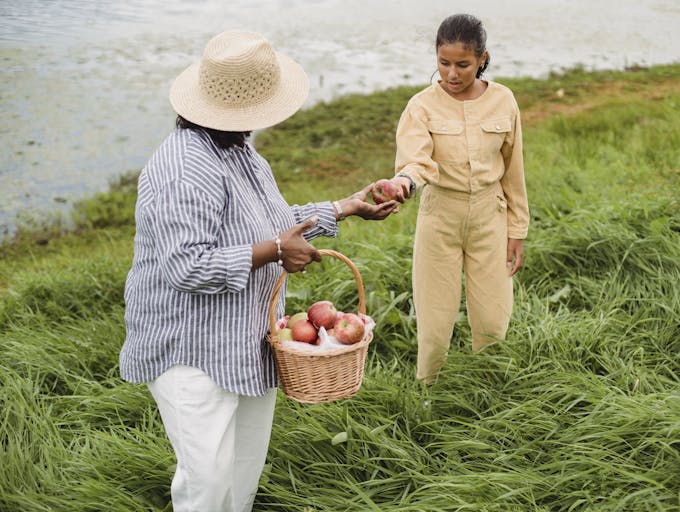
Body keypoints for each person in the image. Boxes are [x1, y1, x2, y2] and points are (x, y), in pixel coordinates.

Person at [118, 30, 399, 511]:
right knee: (206, 487)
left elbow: (272, 223)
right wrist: (273, 251)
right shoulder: (183, 167)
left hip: (246, 339)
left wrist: (343, 207)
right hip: (193, 352)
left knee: (242, 474)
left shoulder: (239, 152)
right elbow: (188, 266)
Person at [390, 14, 530, 383]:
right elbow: (415, 161)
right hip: (440, 218)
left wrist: (517, 230)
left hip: (491, 217)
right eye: (443, 63)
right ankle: (428, 397)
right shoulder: (420, 106)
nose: (451, 74)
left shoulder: (504, 101)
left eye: (463, 65)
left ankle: (490, 394)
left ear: (483, 58)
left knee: (493, 321)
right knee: (435, 324)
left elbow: (513, 171)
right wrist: (403, 182)